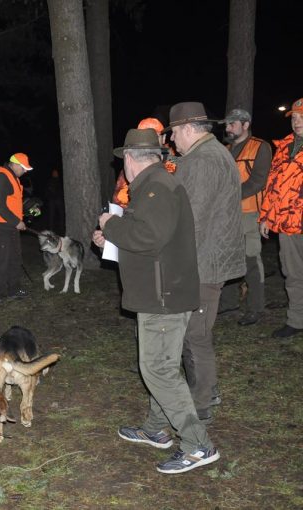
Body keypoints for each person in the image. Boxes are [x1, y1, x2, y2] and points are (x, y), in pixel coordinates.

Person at [94, 128, 219, 474]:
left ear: (131, 159)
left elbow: (149, 237)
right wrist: (112, 234)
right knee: (158, 364)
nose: (124, 167)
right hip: (161, 292)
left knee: (158, 369)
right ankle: (155, 429)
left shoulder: (156, 188)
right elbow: (149, 235)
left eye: (124, 162)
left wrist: (111, 224)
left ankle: (198, 446)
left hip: (162, 297)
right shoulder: (154, 186)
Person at [167, 101, 245, 422]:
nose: (172, 140)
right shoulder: (210, 155)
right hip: (208, 258)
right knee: (196, 332)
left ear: (187, 128)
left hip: (202, 262)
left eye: (173, 133)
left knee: (195, 334)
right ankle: (205, 391)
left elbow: (192, 219)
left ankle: (200, 405)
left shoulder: (203, 161)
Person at [217, 108, 273, 326]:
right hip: (226, 214)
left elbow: (259, 180)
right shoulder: (226, 149)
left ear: (245, 125)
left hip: (249, 212)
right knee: (229, 258)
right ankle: (229, 303)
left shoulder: (260, 147)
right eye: (227, 125)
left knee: (250, 259)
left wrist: (230, 196)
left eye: (232, 124)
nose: (228, 128)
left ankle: (256, 308)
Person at [259, 97, 303, 338]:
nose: (297, 122)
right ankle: (297, 320)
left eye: (301, 117)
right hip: (288, 223)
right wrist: (266, 216)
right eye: (294, 117)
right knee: (293, 273)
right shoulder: (284, 147)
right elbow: (272, 185)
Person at [0, 153, 34, 306]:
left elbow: (12, 202)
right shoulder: (1, 177)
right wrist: (16, 222)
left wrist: (22, 215)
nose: (25, 171)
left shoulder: (12, 177)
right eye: (24, 168)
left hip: (10, 225)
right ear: (15, 164)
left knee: (15, 257)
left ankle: (14, 289)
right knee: (2, 259)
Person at [112, 117, 177, 208]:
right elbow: (119, 199)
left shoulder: (175, 165)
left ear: (163, 138)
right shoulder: (131, 164)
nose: (149, 140)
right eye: (144, 136)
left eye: (155, 135)